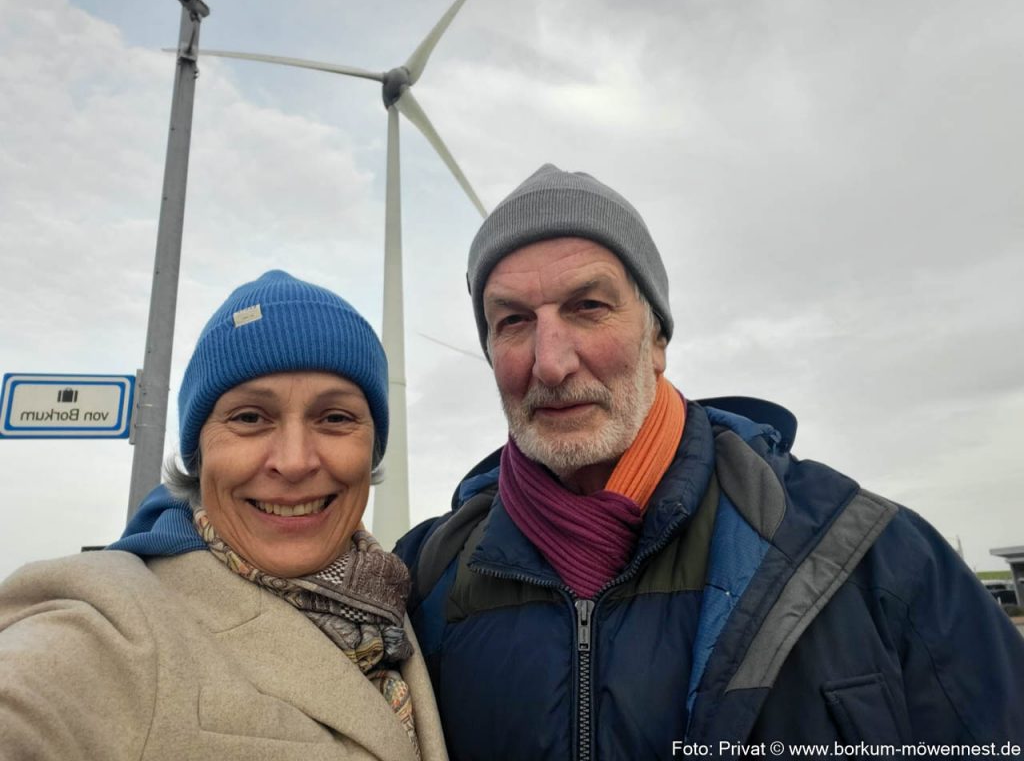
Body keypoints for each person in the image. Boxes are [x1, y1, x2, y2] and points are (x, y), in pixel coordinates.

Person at [395, 165, 1024, 760]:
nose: (551, 362)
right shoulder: (419, 582)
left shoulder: (871, 557)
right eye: (513, 321)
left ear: (658, 337)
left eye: (588, 307)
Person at [0, 270, 447, 761]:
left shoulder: (396, 602)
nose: (294, 461)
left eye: (335, 418)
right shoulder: (110, 623)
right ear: (199, 454)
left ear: (372, 447)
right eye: (249, 418)